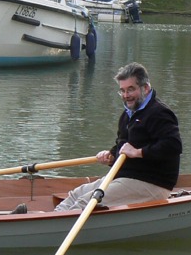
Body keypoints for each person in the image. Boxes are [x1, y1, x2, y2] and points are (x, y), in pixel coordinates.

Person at [56, 62, 182, 210]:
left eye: (130, 89)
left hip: (151, 182)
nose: (126, 95)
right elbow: (123, 146)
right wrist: (111, 155)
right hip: (124, 177)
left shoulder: (158, 113)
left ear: (145, 88)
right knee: (75, 195)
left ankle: (58, 229)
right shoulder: (128, 115)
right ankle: (48, 222)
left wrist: (138, 153)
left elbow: (173, 146)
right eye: (122, 90)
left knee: (87, 202)